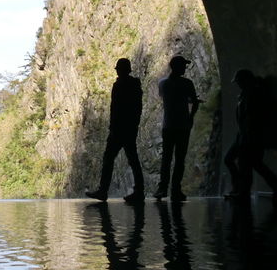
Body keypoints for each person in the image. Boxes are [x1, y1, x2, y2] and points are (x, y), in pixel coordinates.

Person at [85, 58, 144, 203]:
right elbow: (138, 107)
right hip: (130, 128)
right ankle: (139, 191)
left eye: (118, 69)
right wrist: (135, 125)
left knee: (109, 159)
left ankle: (103, 191)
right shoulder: (135, 85)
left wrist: (113, 127)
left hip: (118, 130)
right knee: (133, 159)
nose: (117, 71)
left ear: (120, 70)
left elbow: (115, 109)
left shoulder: (118, 86)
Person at [225, 69, 277, 199]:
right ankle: (243, 189)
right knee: (250, 163)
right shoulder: (246, 94)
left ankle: (243, 191)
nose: (238, 84)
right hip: (243, 136)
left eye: (239, 81)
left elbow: (256, 118)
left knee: (247, 164)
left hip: (252, 136)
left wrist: (251, 135)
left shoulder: (255, 94)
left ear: (245, 80)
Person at [154, 55, 201, 202]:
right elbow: (194, 102)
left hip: (168, 125)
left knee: (166, 159)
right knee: (180, 159)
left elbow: (168, 97)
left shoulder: (162, 83)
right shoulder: (187, 83)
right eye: (184, 66)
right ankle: (176, 190)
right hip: (183, 126)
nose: (185, 68)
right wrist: (191, 117)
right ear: (178, 67)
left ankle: (162, 189)